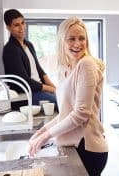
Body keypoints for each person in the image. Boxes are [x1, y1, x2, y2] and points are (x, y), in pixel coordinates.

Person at [28, 17, 108, 176]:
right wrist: (40, 133)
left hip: (88, 148)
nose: (77, 44)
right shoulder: (66, 69)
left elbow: (81, 114)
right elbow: (65, 113)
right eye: (71, 39)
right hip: (74, 146)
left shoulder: (86, 65)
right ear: (61, 42)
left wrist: (46, 136)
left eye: (82, 38)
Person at [2, 9, 58, 111]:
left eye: (23, 23)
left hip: (40, 89)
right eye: (16, 25)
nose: (21, 27)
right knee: (61, 102)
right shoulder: (10, 49)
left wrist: (55, 88)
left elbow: (39, 70)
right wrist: (51, 89)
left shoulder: (29, 45)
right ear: (8, 27)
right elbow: (24, 81)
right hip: (27, 94)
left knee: (65, 98)